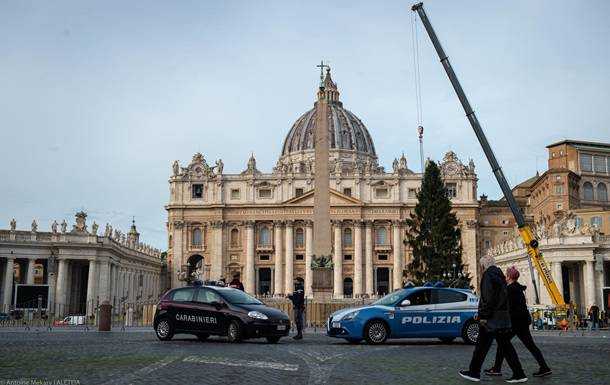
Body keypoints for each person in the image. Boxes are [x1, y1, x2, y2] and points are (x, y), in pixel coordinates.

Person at [459, 255, 527, 383]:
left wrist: (482, 315)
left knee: (481, 347)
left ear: (483, 265)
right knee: (505, 346)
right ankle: (519, 373)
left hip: (491, 319)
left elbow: (487, 298)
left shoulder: (487, 276)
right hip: (501, 316)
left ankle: (474, 372)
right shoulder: (500, 275)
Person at [485, 266, 551, 378]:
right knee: (529, 346)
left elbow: (508, 308)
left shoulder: (510, 290)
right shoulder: (517, 288)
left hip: (515, 323)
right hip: (522, 322)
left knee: (503, 343)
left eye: (506, 275)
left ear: (509, 277)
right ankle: (544, 367)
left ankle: (498, 369)